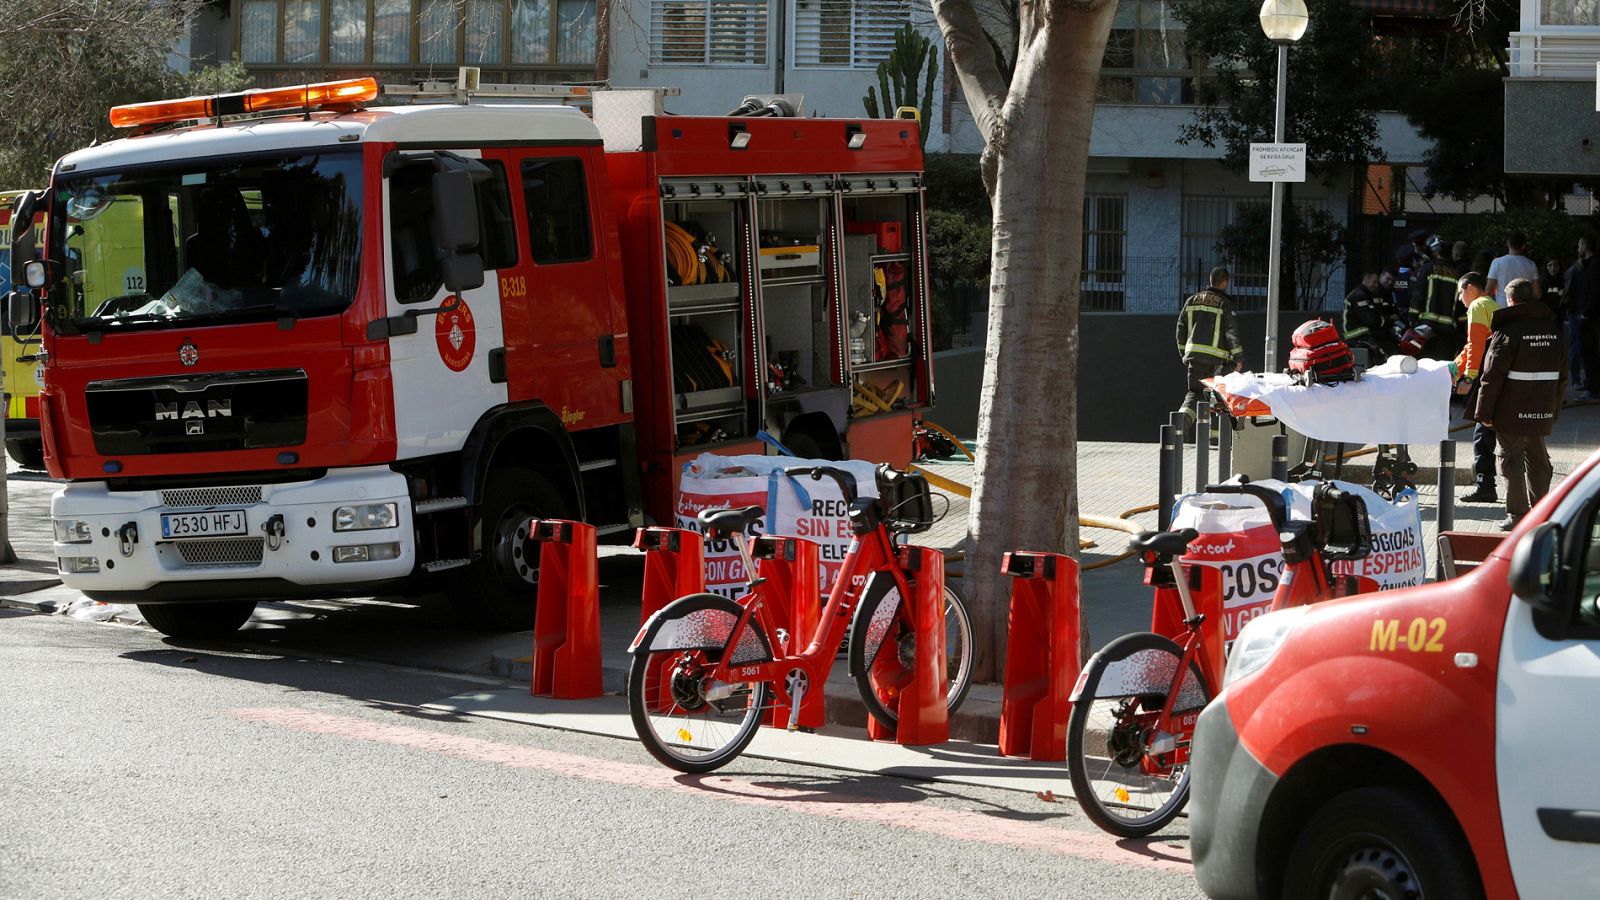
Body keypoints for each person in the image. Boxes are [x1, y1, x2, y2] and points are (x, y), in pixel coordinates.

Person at [1476, 278, 1568, 530]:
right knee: (1538, 460)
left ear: (1510, 300)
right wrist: (1555, 409)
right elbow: (1564, 376)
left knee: (1509, 460)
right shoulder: (1553, 330)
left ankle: (1518, 517)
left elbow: (1491, 376)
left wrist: (1484, 412)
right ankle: (1541, 513)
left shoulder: (1508, 332)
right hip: (1542, 408)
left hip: (1511, 411)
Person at [1175, 266, 1244, 433]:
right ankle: (1215, 437)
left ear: (1211, 281)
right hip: (1217, 361)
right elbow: (1231, 333)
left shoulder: (1191, 300)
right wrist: (1238, 359)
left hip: (1194, 360)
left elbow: (1180, 328)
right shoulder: (1224, 304)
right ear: (1225, 283)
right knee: (1217, 396)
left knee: (1195, 393)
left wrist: (1185, 354)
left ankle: (1181, 422)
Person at [1453, 272, 1500, 503]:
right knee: (1490, 430)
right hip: (1497, 375)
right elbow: (1472, 345)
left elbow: (1476, 345)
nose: (1461, 298)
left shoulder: (1477, 306)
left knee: (1483, 432)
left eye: (1461, 292)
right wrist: (1454, 368)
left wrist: (1468, 378)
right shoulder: (1492, 304)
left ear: (1470, 288)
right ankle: (1487, 485)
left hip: (1485, 377)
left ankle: (1485, 486)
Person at [1411, 237, 1463, 359]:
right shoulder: (1458, 274)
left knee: (1424, 365)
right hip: (1448, 330)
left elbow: (1418, 294)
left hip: (1426, 328)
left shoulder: (1427, 269)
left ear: (1435, 252)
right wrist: (1461, 326)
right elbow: (1461, 303)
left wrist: (1412, 316)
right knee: (1443, 367)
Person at [1563, 236, 1599, 401]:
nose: (1578, 249)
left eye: (1580, 246)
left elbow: (1592, 291)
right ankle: (1592, 385)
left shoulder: (1592, 266)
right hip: (1588, 314)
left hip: (1588, 315)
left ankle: (1592, 388)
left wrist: (1585, 312)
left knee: (1588, 351)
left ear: (1585, 246)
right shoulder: (1591, 265)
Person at [1343, 267, 1402, 357]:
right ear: (1366, 279)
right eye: (1374, 282)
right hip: (1356, 335)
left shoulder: (1367, 294)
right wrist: (1387, 320)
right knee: (1383, 354)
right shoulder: (1359, 295)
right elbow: (1371, 320)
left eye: (1377, 282)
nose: (1376, 285)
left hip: (1365, 334)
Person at [1486, 232, 1541, 307]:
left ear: (1507, 243)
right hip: (1524, 309)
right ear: (1524, 246)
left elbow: (1488, 291)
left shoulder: (1497, 263)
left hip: (1502, 309)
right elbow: (1537, 294)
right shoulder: (1531, 264)